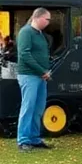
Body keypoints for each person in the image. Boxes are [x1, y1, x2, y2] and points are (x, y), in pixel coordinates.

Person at [16, 8, 53, 152]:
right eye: (47, 19)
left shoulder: (40, 35)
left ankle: (34, 138)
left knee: (38, 108)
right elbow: (24, 54)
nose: (48, 22)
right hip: (29, 75)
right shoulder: (26, 32)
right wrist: (41, 70)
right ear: (38, 18)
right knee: (28, 107)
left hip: (41, 76)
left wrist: (46, 71)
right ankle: (23, 140)